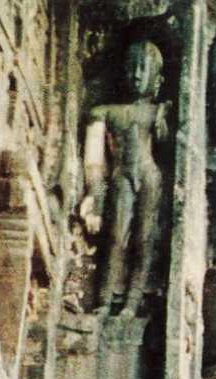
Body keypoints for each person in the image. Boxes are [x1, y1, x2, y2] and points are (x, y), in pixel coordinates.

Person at [80, 40, 168, 317]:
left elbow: (167, 144)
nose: (137, 74)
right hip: (121, 176)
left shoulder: (157, 112)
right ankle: (104, 300)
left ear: (156, 77)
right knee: (115, 236)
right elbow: (93, 159)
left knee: (145, 238)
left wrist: (165, 118)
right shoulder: (105, 112)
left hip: (149, 174)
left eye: (144, 68)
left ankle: (132, 301)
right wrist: (94, 192)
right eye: (132, 67)